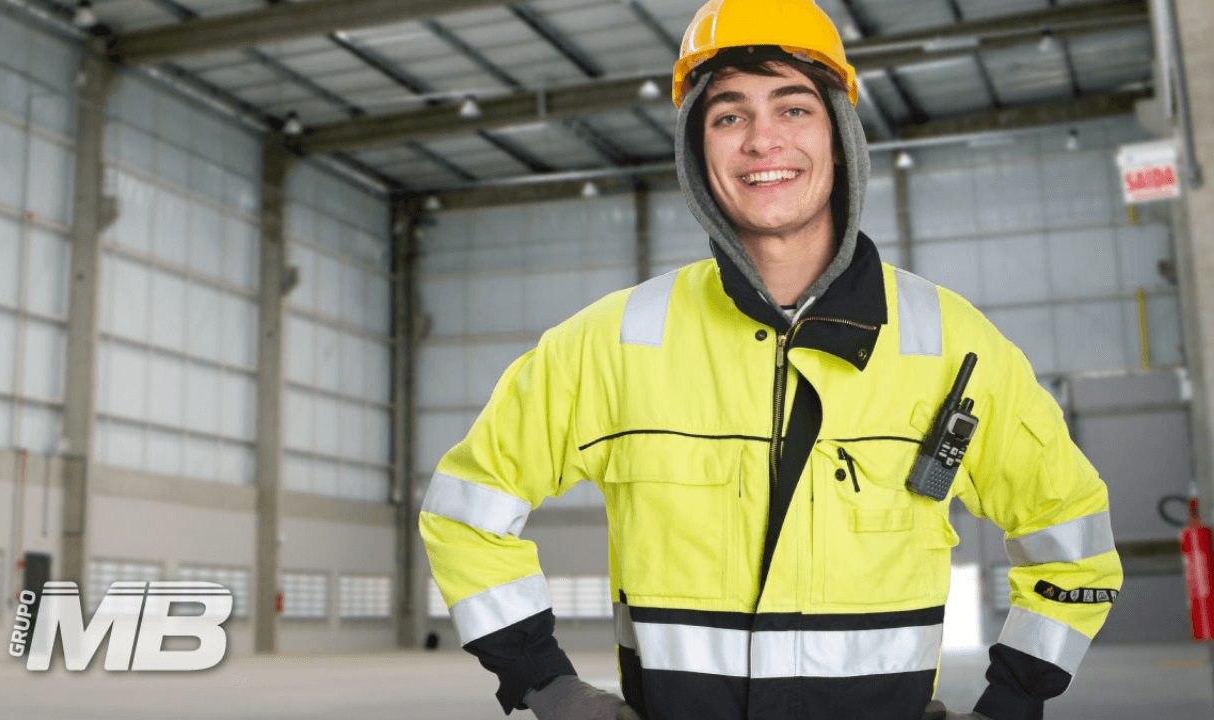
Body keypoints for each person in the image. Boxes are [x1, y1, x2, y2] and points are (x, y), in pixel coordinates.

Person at [418, 1, 1123, 718]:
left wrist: (1016, 698)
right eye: (728, 116)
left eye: (793, 109)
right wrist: (546, 683)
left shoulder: (953, 344)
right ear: (698, 150)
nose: (762, 140)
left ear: (841, 136)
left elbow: (1072, 539)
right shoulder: (612, 343)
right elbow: (466, 513)